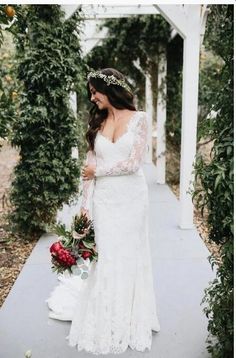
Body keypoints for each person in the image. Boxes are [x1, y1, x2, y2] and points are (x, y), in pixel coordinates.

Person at [46, 68, 161, 355]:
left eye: (95, 91)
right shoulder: (97, 123)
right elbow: (88, 172)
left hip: (132, 199)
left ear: (110, 90)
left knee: (128, 254)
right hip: (105, 201)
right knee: (105, 255)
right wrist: (84, 211)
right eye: (90, 93)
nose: (92, 97)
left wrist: (98, 170)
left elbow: (133, 164)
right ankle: (104, 315)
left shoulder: (140, 119)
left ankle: (129, 317)